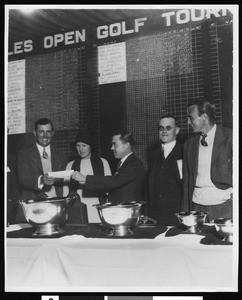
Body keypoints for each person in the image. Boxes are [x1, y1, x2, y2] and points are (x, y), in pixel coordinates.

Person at [181, 99, 232, 221]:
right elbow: (186, 182)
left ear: (204, 117)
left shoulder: (230, 137)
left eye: (190, 117)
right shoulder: (189, 145)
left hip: (225, 205)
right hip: (197, 206)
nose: (188, 122)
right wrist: (185, 212)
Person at [70, 130, 145, 204]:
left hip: (127, 211)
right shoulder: (124, 163)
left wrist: (85, 178)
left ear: (126, 146)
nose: (112, 148)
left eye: (115, 145)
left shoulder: (135, 164)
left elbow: (114, 181)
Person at [16, 118, 68, 222]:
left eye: (48, 131)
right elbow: (23, 178)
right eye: (41, 132)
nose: (45, 135)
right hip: (34, 207)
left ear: (53, 133)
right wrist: (41, 180)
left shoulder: (61, 155)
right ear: (35, 133)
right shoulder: (24, 154)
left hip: (56, 207)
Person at [63, 129, 111, 223]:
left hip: (97, 205)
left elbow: (108, 185)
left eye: (84, 145)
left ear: (91, 147)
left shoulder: (102, 162)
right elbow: (66, 190)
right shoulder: (70, 165)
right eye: (78, 145)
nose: (81, 149)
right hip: (77, 206)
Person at [147, 114, 183, 226]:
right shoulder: (153, 155)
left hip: (177, 214)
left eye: (168, 128)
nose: (164, 131)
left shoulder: (185, 151)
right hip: (156, 216)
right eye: (161, 128)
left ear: (176, 130)